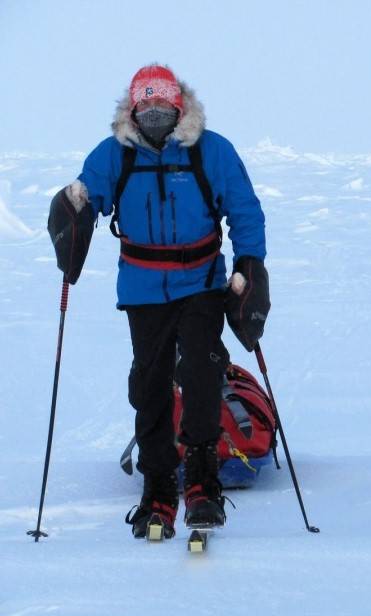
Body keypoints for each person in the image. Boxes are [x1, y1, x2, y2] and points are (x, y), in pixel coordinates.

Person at [47, 64, 271, 539]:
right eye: (143, 105)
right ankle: (159, 483)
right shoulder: (115, 155)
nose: (152, 112)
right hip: (143, 288)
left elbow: (245, 211)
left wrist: (249, 266)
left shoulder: (213, 151)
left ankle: (203, 474)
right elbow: (88, 195)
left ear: (178, 106)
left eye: (160, 104)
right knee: (149, 381)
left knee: (200, 370)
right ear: (132, 108)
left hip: (202, 283)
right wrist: (73, 210)